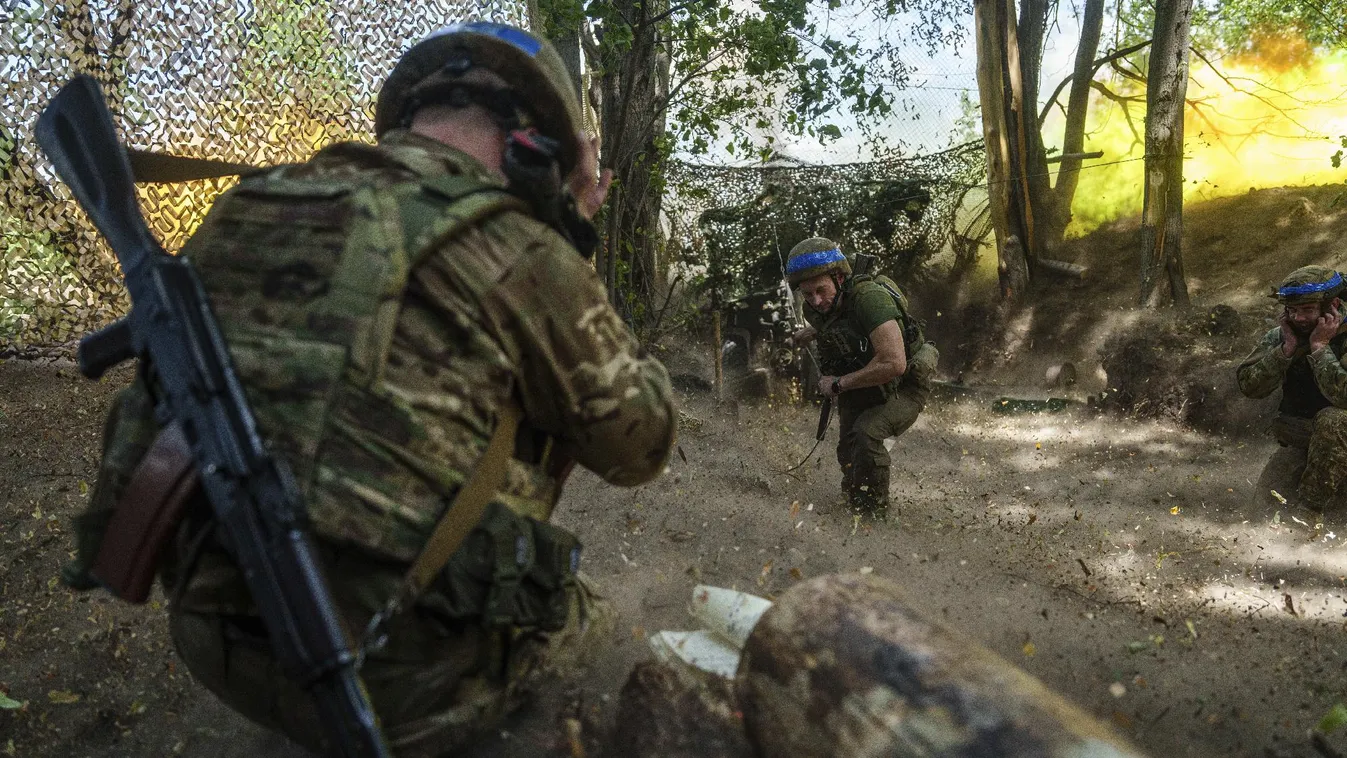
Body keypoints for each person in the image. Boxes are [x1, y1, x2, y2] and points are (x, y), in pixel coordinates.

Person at [62, 22, 676, 756]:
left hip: (215, 630)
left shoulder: (250, 200)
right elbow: (638, 446)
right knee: (608, 645)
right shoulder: (515, 246)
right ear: (541, 146)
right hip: (398, 674)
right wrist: (570, 236)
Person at [787, 237, 938, 516]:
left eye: (821, 290)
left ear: (840, 277)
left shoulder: (870, 299)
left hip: (903, 385)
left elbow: (894, 364)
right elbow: (839, 323)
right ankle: (853, 505)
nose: (816, 301)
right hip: (864, 384)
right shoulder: (818, 308)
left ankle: (873, 516)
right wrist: (811, 332)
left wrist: (837, 383)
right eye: (808, 295)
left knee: (867, 435)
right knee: (848, 452)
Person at [1238, 265, 1347, 510]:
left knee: (1334, 419)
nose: (1298, 318)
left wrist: (1320, 348)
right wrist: (1284, 352)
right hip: (1307, 441)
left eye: (1307, 310)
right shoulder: (1285, 335)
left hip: (1338, 433)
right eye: (1292, 310)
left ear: (1333, 305)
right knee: (1262, 509)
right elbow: (1249, 386)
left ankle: (1309, 512)